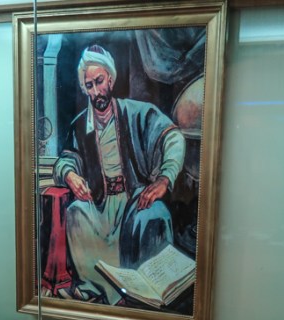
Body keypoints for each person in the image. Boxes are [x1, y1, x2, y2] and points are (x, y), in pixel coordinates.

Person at [52, 45, 186, 305]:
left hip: (133, 199)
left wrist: (164, 178)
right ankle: (99, 292)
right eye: (89, 85)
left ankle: (142, 296)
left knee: (153, 215)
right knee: (76, 212)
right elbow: (66, 160)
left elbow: (174, 138)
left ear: (110, 79)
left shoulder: (138, 113)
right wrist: (70, 175)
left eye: (99, 81)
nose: (95, 91)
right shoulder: (80, 125)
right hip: (100, 204)